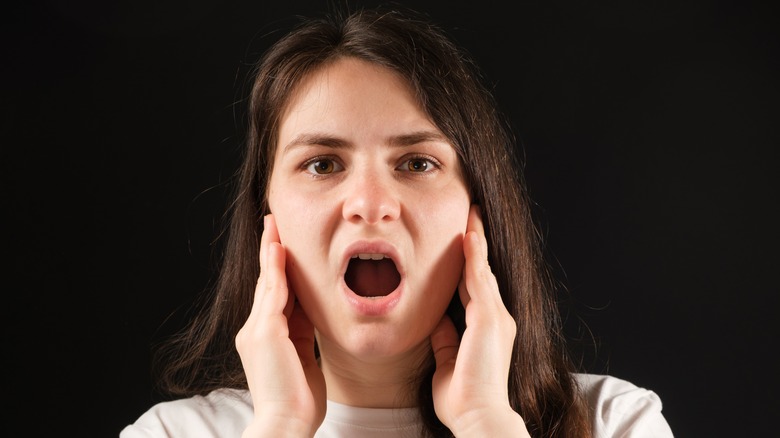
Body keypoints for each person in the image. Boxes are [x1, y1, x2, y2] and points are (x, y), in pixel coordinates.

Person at [120, 5, 673, 438]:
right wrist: (282, 427)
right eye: (322, 164)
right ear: (268, 217)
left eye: (416, 163)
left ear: (478, 210)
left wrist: (487, 424)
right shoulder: (171, 433)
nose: (369, 202)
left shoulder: (615, 423)